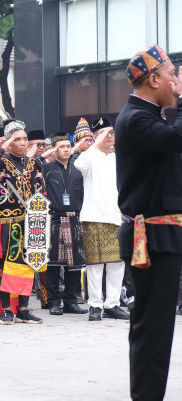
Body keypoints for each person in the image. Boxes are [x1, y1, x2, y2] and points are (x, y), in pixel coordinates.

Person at [116, 44, 182, 400]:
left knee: (156, 328)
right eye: (173, 76)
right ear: (153, 79)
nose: (176, 83)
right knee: (153, 329)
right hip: (152, 238)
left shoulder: (147, 116)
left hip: (160, 235)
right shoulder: (136, 118)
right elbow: (179, 139)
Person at [0, 120, 45, 325]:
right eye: (18, 139)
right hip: (7, 221)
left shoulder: (34, 163)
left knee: (29, 264)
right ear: (9, 142)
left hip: (31, 221)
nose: (24, 142)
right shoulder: (0, 161)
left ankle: (24, 309)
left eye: (25, 139)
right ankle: (7, 309)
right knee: (6, 266)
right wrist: (1, 150)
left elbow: (42, 192)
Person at [74, 117, 129, 322]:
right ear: (96, 137)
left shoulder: (119, 158)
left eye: (112, 132)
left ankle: (112, 305)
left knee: (117, 262)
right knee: (95, 264)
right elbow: (79, 164)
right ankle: (95, 305)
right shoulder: (90, 158)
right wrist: (96, 143)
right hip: (94, 216)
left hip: (117, 216)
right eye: (105, 133)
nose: (110, 136)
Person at [42, 132, 87, 316]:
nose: (66, 149)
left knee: (74, 264)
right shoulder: (47, 169)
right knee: (53, 264)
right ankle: (54, 302)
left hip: (75, 219)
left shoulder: (78, 170)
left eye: (68, 146)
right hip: (54, 219)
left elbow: (83, 195)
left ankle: (70, 301)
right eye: (62, 147)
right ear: (55, 149)